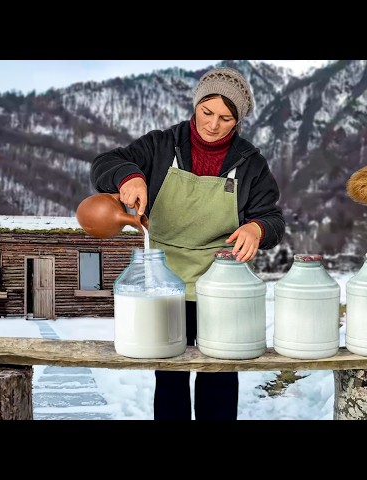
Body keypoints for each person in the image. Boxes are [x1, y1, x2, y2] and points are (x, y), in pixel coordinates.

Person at [89, 66, 286, 420]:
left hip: (221, 283)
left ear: (238, 120)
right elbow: (105, 164)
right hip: (164, 282)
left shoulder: (250, 163)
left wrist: (257, 229)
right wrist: (129, 176)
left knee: (220, 374)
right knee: (170, 375)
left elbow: (273, 218)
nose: (213, 124)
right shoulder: (161, 145)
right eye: (206, 112)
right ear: (195, 106)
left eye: (226, 118)